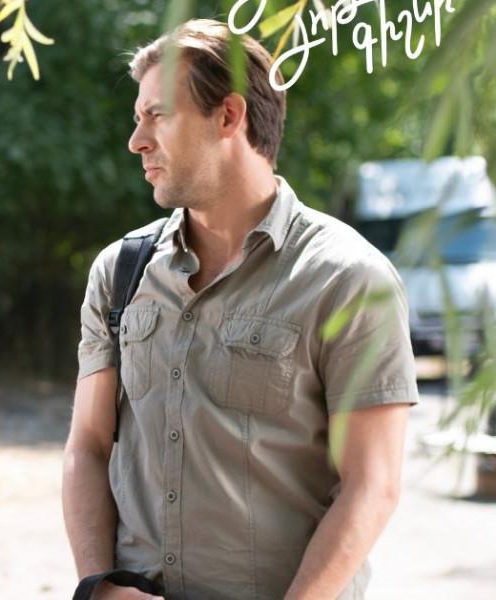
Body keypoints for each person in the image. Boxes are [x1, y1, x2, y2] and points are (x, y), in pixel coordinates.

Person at [62, 19, 417, 600]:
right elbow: (88, 446)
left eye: (157, 115)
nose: (137, 141)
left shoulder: (349, 278)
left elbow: (371, 486)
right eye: (137, 118)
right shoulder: (120, 271)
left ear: (228, 116)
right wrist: (97, 588)